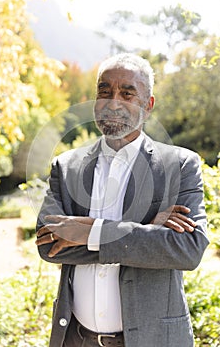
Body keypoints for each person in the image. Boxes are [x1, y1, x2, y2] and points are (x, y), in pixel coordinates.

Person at [36, 53, 209, 347]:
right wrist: (145, 228)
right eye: (104, 91)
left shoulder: (179, 165)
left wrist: (91, 233)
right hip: (76, 340)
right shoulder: (66, 167)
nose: (113, 102)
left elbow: (188, 250)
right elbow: (49, 245)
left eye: (127, 94)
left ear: (148, 105)